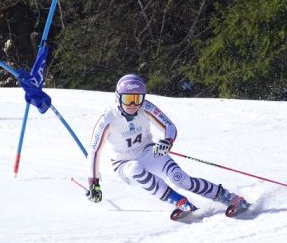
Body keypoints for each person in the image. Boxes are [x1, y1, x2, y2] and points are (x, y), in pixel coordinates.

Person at [86, 74, 250, 220]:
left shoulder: (146, 107)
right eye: (128, 99)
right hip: (123, 164)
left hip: (148, 152)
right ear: (118, 98)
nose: (133, 104)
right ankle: (178, 200)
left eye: (138, 98)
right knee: (135, 168)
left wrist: (167, 141)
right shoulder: (108, 119)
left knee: (181, 179)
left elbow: (169, 126)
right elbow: (94, 152)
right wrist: (94, 183)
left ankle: (228, 197)